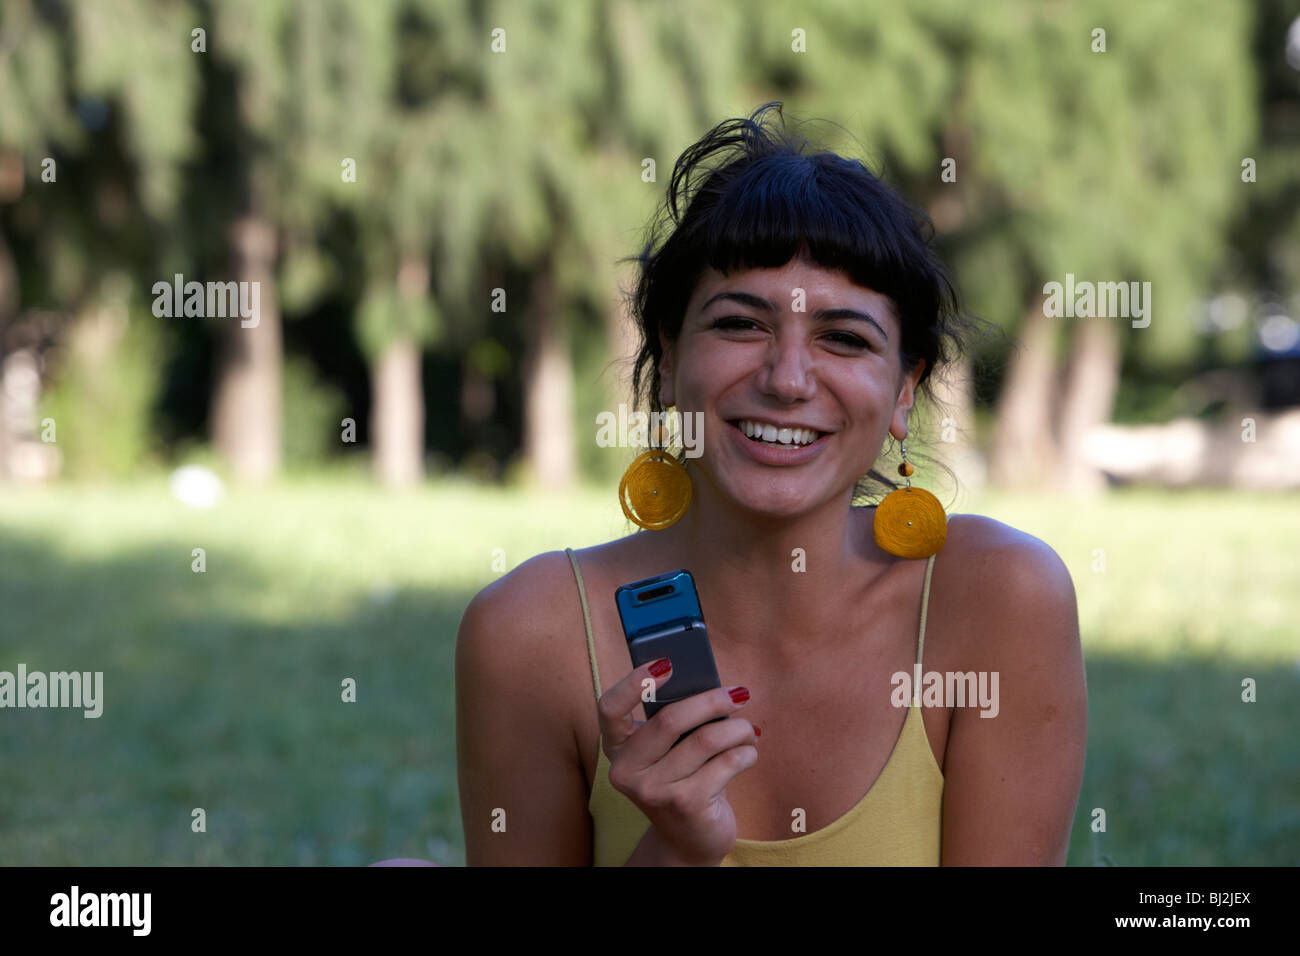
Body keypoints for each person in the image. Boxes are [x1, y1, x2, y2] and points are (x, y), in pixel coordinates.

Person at [456, 103, 1087, 866]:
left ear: (903, 392)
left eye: (845, 339)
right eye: (739, 325)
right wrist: (676, 850)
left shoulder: (998, 598)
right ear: (669, 358)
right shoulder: (530, 633)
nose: (787, 380)